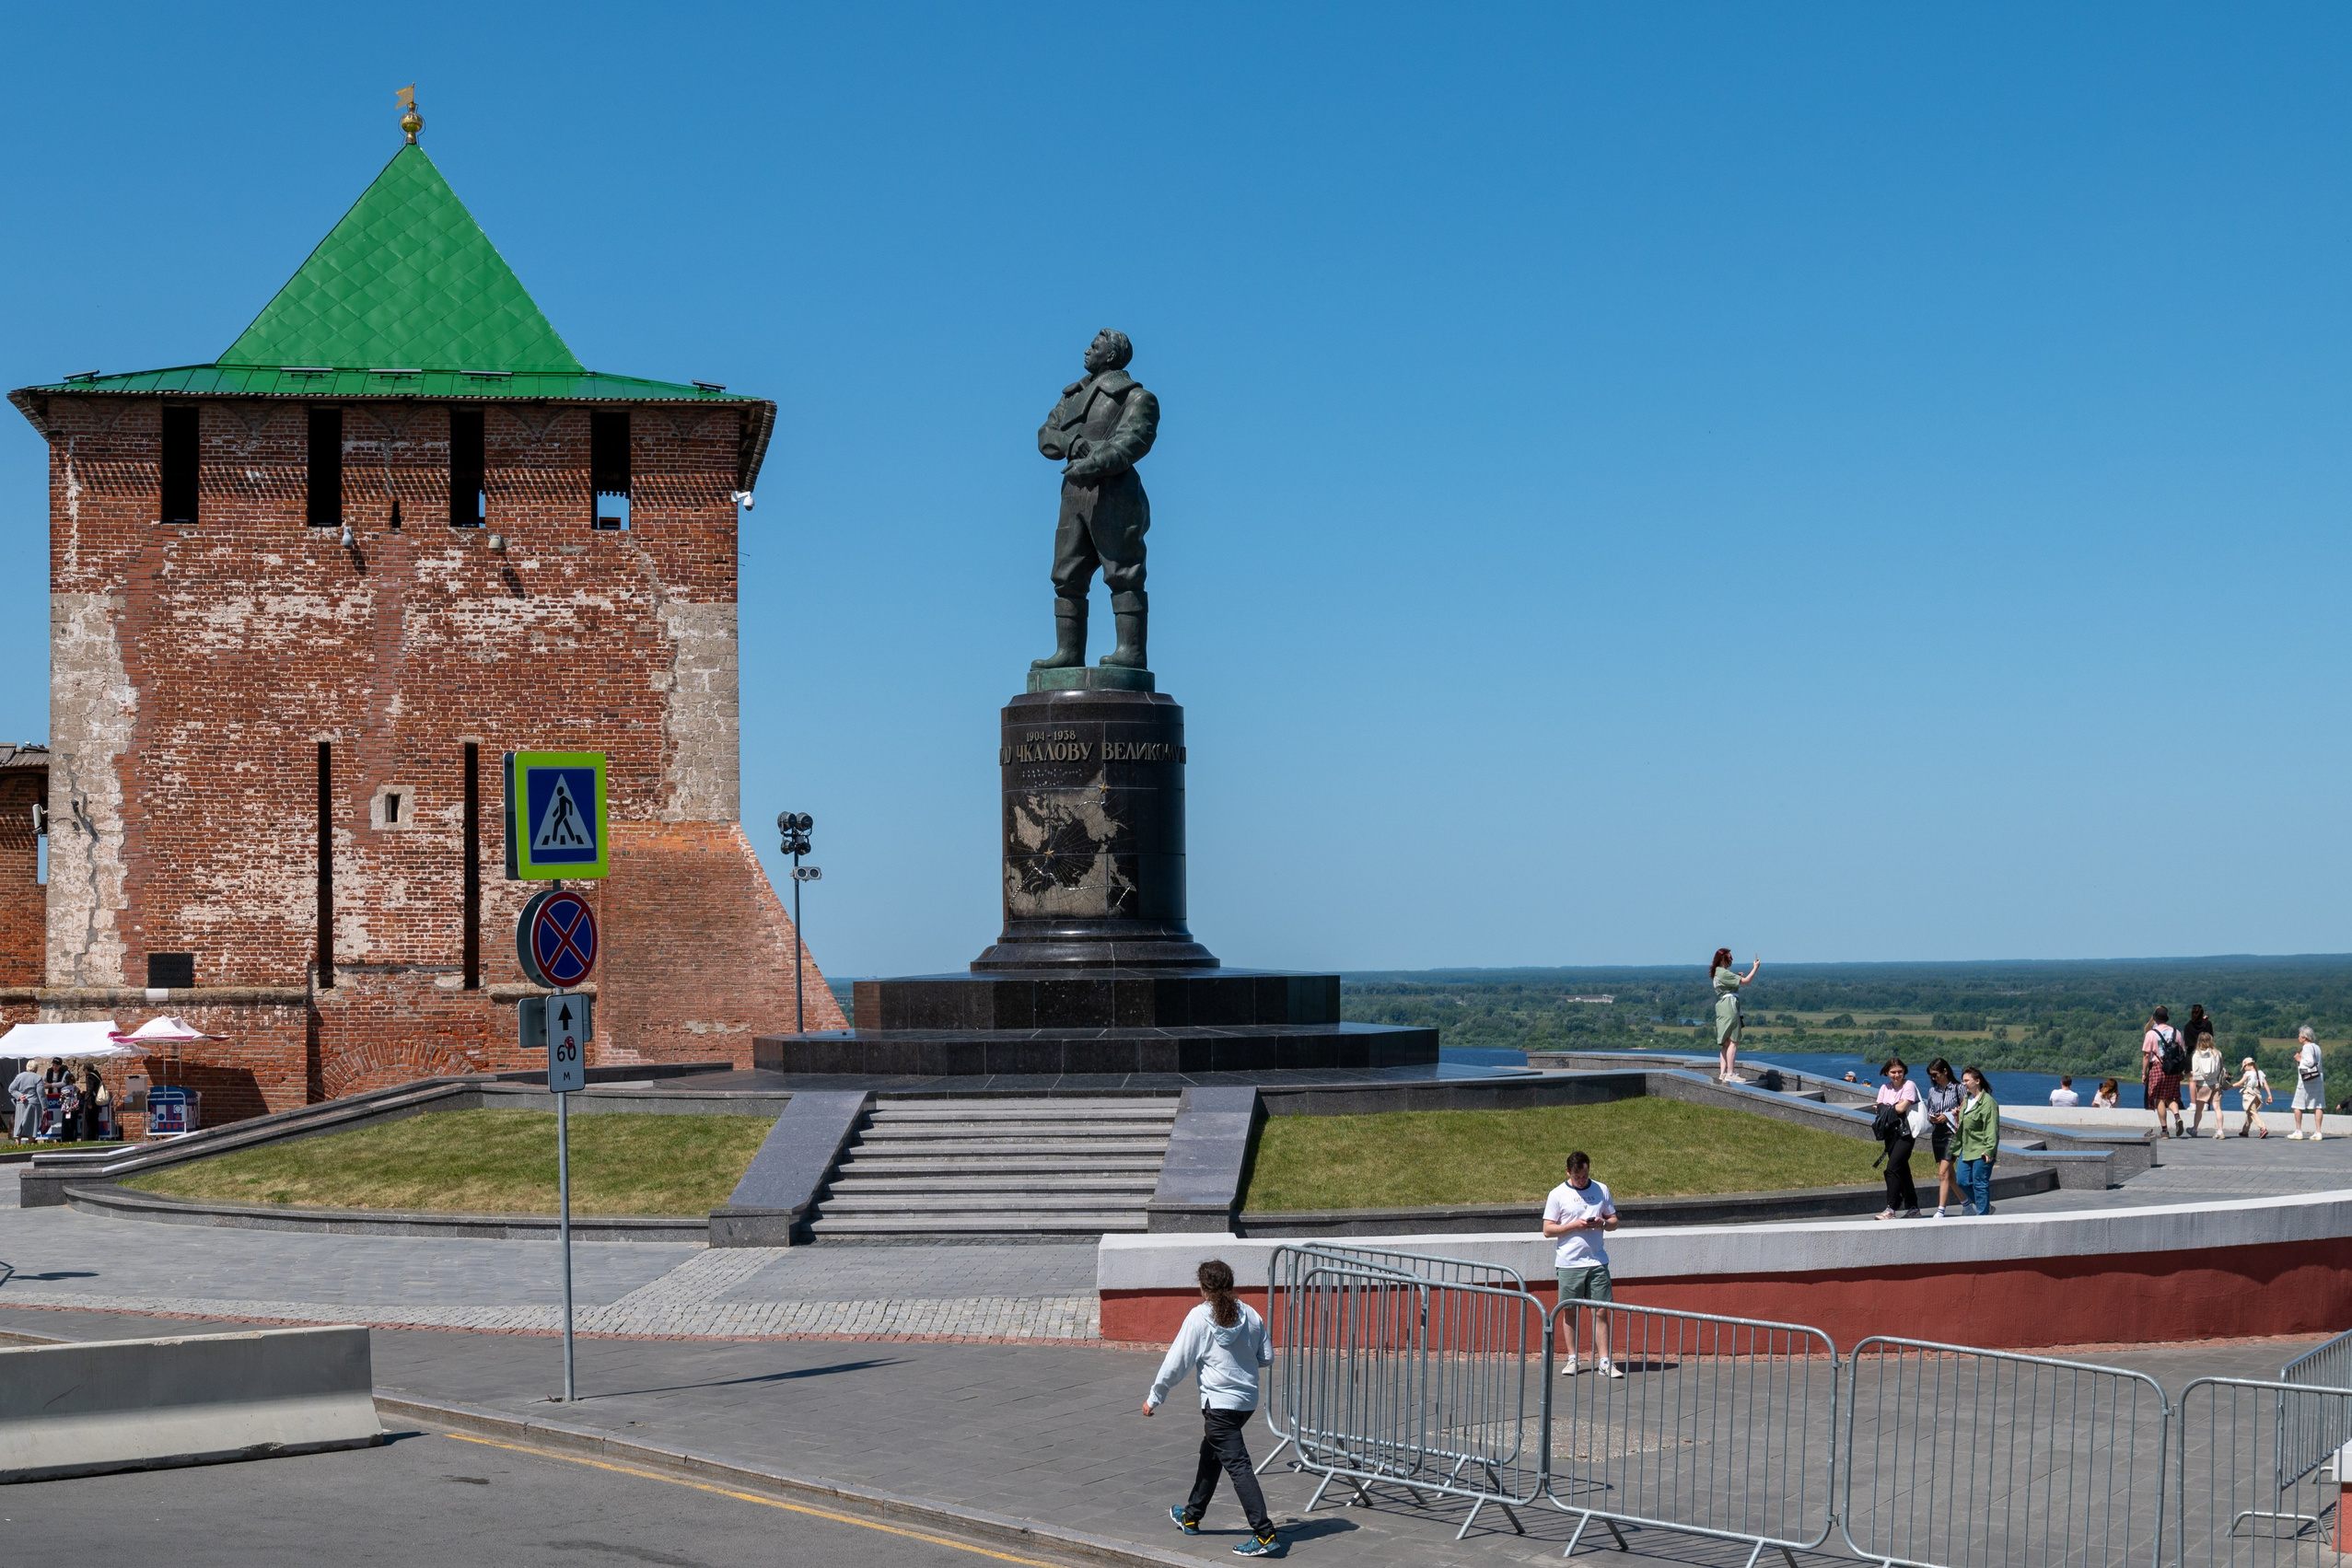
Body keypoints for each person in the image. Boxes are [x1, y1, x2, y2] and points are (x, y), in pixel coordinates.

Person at [1033, 330, 1160, 673]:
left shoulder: (1136, 397)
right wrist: (1070, 443)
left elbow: (1133, 441)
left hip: (1114, 494)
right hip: (1073, 494)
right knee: (1066, 575)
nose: (1087, 350)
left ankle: (1130, 651)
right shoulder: (1072, 395)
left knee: (1124, 572)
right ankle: (1068, 652)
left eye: (1095, 346)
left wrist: (1093, 463)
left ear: (1112, 356)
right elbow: (1046, 436)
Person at [1145, 1259, 1280, 1557]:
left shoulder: (1199, 1318)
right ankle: (1191, 1515)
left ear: (1204, 1289)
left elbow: (1176, 1363)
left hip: (1220, 1408)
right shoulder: (1250, 1313)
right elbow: (1267, 1357)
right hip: (1246, 1404)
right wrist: (1240, 1362)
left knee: (1239, 1467)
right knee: (1211, 1454)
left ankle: (1265, 1534)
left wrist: (1155, 1396)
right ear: (1231, 1286)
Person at [1545, 1151, 1624, 1377]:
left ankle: (1605, 1361)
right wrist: (1574, 1226)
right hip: (1570, 1263)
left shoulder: (1601, 1189)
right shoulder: (1558, 1194)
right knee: (1570, 1311)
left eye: (1586, 1175)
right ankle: (1572, 1359)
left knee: (1601, 1310)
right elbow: (1548, 1230)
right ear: (1568, 1172)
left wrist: (1602, 1223)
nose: (1582, 1180)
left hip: (1597, 1261)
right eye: (1578, 1176)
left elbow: (1614, 1222)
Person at [1873, 1058, 1923, 1220]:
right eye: (1893, 1072)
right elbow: (1878, 1108)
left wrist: (1886, 1108)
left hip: (1906, 1133)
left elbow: (1901, 1107)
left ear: (1904, 1071)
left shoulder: (1909, 1085)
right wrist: (1889, 1108)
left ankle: (1891, 1208)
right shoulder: (1884, 1087)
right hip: (1890, 1133)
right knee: (1902, 1170)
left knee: (1892, 1168)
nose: (1897, 1075)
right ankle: (1913, 1207)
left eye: (1900, 1071)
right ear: (1887, 1073)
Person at [1709, 948, 1761, 1084]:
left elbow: (1728, 984)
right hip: (1730, 1007)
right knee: (1733, 1040)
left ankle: (1723, 1073)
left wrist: (1735, 977)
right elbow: (1746, 981)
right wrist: (1755, 968)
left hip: (1722, 1007)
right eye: (1730, 957)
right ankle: (1731, 1073)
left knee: (1725, 1042)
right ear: (1722, 959)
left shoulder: (1717, 974)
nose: (1732, 960)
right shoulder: (1724, 973)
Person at [1955, 1067, 2001, 1215]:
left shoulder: (1988, 1103)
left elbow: (1991, 1128)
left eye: (1967, 1080)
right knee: (1962, 1181)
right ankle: (1986, 1207)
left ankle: (1982, 1217)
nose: (1964, 1084)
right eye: (1963, 1081)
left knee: (1980, 1184)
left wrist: (1989, 1150)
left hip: (1982, 1149)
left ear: (1977, 1081)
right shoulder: (1966, 1099)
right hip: (1967, 1148)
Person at [1921, 1059, 1962, 1218]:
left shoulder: (1958, 1088)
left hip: (1952, 1133)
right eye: (1930, 1076)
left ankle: (1941, 1210)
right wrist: (1933, 1117)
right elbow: (1930, 1108)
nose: (1933, 1078)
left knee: (1942, 1173)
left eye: (1935, 1074)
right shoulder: (1933, 1091)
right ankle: (1967, 1204)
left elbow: (1964, 1109)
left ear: (1945, 1071)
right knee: (1950, 1176)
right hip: (1937, 1133)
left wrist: (1948, 1116)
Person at [2142, 1008, 2187, 1139]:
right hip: (2173, 1069)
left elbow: (2146, 1055)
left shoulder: (2151, 1034)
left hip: (2158, 1067)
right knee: (2171, 1096)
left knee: (2159, 1098)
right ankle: (2177, 1116)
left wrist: (2144, 1073)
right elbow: (2182, 1051)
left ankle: (2165, 1131)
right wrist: (2181, 1071)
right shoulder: (2176, 1032)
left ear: (2155, 1019)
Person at [2289, 1027, 2326, 1141]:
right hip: (2318, 1078)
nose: (2298, 1038)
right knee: (2318, 1105)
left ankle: (2298, 1131)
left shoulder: (2306, 1047)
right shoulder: (2317, 1047)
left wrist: (2299, 1059)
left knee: (2297, 1104)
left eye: (2299, 1036)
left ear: (2304, 1038)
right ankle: (2318, 1132)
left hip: (2306, 1079)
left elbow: (2309, 1062)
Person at [2189, 1027, 2225, 1139]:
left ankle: (2195, 1129)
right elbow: (2221, 1068)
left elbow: (2194, 1072)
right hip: (2215, 1083)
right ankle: (2220, 1131)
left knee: (2199, 1109)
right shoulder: (2217, 1053)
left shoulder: (2196, 1055)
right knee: (2217, 1108)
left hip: (2202, 1085)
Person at [2235, 1056, 2271, 1138]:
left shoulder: (2248, 1074)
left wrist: (2228, 1087)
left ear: (2247, 1065)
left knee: (2252, 1111)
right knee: (2250, 1112)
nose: (2244, 1069)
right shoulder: (2260, 1073)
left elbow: (2239, 1083)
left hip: (2249, 1094)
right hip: (2257, 1094)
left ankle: (2263, 1128)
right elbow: (2266, 1085)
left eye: (2244, 1067)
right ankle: (2245, 1131)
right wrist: (2269, 1095)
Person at [6, 1063, 39, 1142]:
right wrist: (45, 1107)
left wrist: (19, 1096)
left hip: (21, 1103)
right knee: (31, 1125)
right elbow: (41, 1094)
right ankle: (31, 1144)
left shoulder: (19, 1076)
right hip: (32, 1104)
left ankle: (18, 1144)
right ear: (36, 1069)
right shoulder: (38, 1078)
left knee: (19, 1125)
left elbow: (11, 1089)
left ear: (27, 1067)